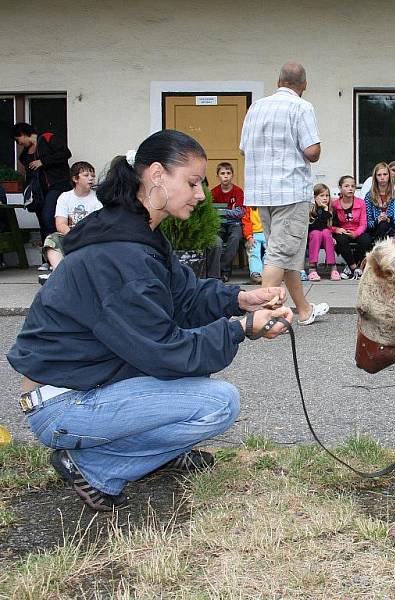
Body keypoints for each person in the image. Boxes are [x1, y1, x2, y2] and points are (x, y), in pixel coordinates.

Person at [6, 130, 292, 512]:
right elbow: (166, 351)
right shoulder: (120, 255)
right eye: (192, 182)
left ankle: (157, 452)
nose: (201, 195)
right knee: (219, 403)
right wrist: (242, 328)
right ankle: (94, 466)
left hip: (89, 383)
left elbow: (185, 297)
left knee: (195, 374)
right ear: (157, 175)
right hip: (61, 405)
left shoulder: (137, 233)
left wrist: (241, 299)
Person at [239, 61, 328, 325]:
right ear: (304, 85)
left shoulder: (256, 107)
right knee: (279, 254)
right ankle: (261, 315)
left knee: (286, 251)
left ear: (278, 82)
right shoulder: (302, 107)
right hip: (289, 190)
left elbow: (244, 148)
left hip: (262, 192)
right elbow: (312, 151)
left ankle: (304, 309)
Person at [12, 122, 72, 269]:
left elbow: (65, 153)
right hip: (40, 191)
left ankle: (57, 256)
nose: (18, 143)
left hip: (58, 185)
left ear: (22, 134)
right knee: (43, 222)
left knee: (49, 218)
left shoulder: (47, 138)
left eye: (17, 139)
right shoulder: (25, 155)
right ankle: (47, 259)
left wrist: (43, 161)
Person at [39, 161, 102, 284]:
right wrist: (75, 235)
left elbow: (99, 223)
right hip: (71, 235)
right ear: (75, 178)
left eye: (93, 176)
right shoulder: (65, 197)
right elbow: (60, 224)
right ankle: (59, 274)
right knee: (51, 240)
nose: (91, 179)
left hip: (91, 236)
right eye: (86, 175)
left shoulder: (98, 197)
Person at [210, 162, 245, 283]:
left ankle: (224, 271)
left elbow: (239, 213)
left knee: (235, 238)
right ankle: (214, 273)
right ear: (217, 176)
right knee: (216, 241)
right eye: (222, 173)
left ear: (232, 175)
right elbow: (210, 212)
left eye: (228, 173)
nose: (226, 176)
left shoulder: (238, 191)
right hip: (218, 224)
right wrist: (230, 210)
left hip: (235, 224)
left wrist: (220, 210)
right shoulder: (213, 192)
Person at [331, 175, 369, 280]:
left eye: (353, 186)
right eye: (346, 186)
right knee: (341, 239)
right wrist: (336, 229)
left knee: (366, 239)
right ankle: (354, 267)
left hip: (356, 230)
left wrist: (355, 233)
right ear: (340, 188)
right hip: (342, 231)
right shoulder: (334, 204)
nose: (350, 188)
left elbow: (363, 224)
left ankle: (349, 267)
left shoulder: (361, 203)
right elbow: (329, 224)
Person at [307, 183, 340, 281]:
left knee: (326, 232)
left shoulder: (331, 210)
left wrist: (332, 236)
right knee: (317, 233)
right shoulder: (311, 210)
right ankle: (312, 268)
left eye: (327, 195)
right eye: (321, 196)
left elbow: (332, 226)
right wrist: (324, 211)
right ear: (315, 197)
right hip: (313, 235)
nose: (325, 198)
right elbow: (315, 226)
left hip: (326, 236)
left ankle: (333, 267)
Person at [364, 162, 395, 242]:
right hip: (374, 231)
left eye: (385, 174)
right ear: (375, 177)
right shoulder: (369, 196)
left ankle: (381, 251)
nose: (382, 177)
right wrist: (378, 220)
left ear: (389, 176)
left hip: (391, 230)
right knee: (382, 225)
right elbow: (368, 224)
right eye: (379, 175)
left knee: (384, 225)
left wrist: (388, 219)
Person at [242, 206, 266, 284]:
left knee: (271, 252)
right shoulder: (249, 208)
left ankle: (267, 272)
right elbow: (246, 222)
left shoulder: (269, 206)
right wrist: (249, 237)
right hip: (254, 234)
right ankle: (255, 273)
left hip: (267, 233)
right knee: (254, 252)